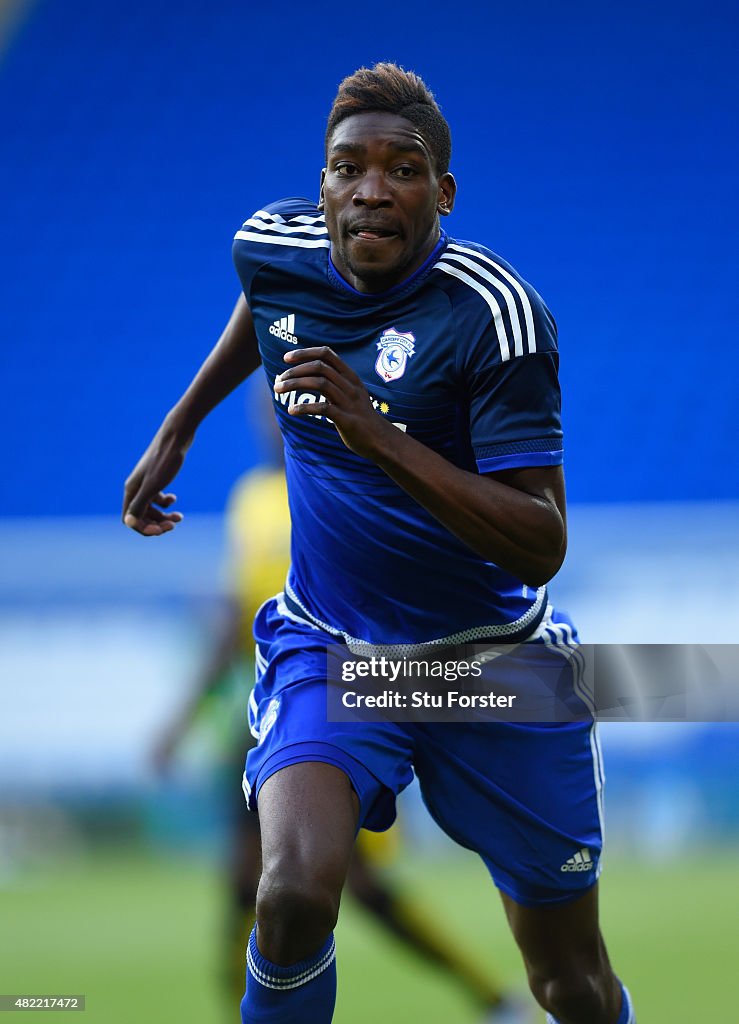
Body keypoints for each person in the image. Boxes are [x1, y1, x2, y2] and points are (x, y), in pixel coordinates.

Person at [123, 63, 635, 1024]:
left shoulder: (494, 319)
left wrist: (376, 434)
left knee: (569, 984)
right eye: (344, 168)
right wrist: (181, 424)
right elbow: (268, 302)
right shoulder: (276, 246)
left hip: (492, 666)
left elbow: (539, 541)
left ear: (441, 192)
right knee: (289, 899)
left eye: (400, 169)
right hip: (335, 648)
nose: (368, 189)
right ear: (320, 184)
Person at [153, 411, 537, 1023]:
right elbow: (233, 618)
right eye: (263, 409)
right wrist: (185, 718)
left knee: (353, 889)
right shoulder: (250, 500)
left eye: (280, 408)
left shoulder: (345, 483)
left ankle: (494, 1000)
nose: (268, 423)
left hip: (339, 705)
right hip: (262, 709)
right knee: (242, 887)